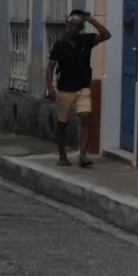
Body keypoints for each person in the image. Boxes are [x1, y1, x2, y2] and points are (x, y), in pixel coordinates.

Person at [46, 9, 111, 167]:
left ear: (81, 28)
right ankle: (62, 155)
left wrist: (92, 21)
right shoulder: (59, 45)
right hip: (65, 89)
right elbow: (50, 68)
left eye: (78, 26)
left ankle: (83, 155)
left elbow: (106, 35)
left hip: (83, 88)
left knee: (86, 118)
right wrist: (50, 88)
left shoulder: (86, 41)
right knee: (62, 123)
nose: (74, 28)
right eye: (72, 25)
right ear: (67, 25)